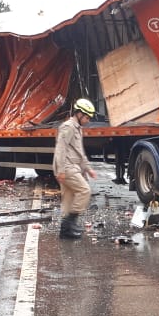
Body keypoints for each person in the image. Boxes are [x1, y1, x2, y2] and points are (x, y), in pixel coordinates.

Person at [53, 98, 97, 239]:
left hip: (72, 166)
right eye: (87, 117)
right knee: (85, 190)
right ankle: (70, 222)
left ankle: (65, 231)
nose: (88, 120)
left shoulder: (77, 128)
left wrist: (88, 168)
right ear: (79, 114)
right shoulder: (68, 127)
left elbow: (79, 151)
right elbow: (61, 148)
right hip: (67, 166)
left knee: (68, 198)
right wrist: (60, 170)